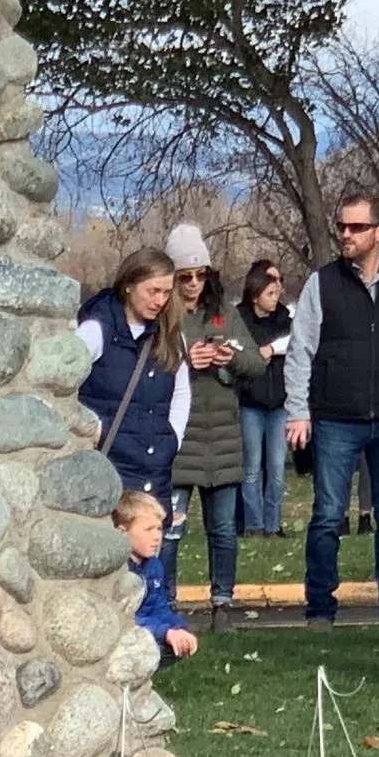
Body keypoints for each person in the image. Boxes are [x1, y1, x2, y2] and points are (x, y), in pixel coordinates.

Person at [284, 193, 379, 631]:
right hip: (335, 418)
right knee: (328, 516)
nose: (345, 235)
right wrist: (299, 411)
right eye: (342, 227)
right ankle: (319, 611)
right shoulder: (322, 283)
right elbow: (300, 352)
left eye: (356, 227)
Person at [161, 225, 264, 634]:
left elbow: (255, 364)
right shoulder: (162, 312)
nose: (193, 284)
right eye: (184, 276)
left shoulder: (223, 312)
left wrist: (227, 357)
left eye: (200, 274)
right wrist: (188, 359)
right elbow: (150, 365)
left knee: (222, 530)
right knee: (170, 530)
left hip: (222, 436)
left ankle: (223, 604)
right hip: (179, 439)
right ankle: (165, 603)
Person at [76, 248, 189, 500]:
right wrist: (92, 427)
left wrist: (173, 438)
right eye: (153, 291)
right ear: (128, 286)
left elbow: (181, 391)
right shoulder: (95, 331)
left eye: (166, 292)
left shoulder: (171, 336)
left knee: (153, 539)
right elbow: (64, 384)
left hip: (155, 471)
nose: (160, 301)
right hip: (108, 468)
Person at [235, 259, 292, 535]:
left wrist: (273, 349)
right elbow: (241, 354)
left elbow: (293, 347)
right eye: (270, 293)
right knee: (252, 468)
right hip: (250, 404)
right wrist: (263, 351)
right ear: (256, 295)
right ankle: (253, 525)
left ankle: (273, 524)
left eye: (277, 291)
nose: (276, 296)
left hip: (279, 404)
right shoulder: (240, 319)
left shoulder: (285, 319)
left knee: (277, 468)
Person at [117, 489, 196, 664]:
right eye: (148, 529)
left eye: (159, 529)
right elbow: (123, 619)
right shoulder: (118, 572)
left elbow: (159, 608)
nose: (157, 537)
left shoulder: (154, 565)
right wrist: (165, 632)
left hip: (148, 631)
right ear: (123, 532)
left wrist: (179, 627)